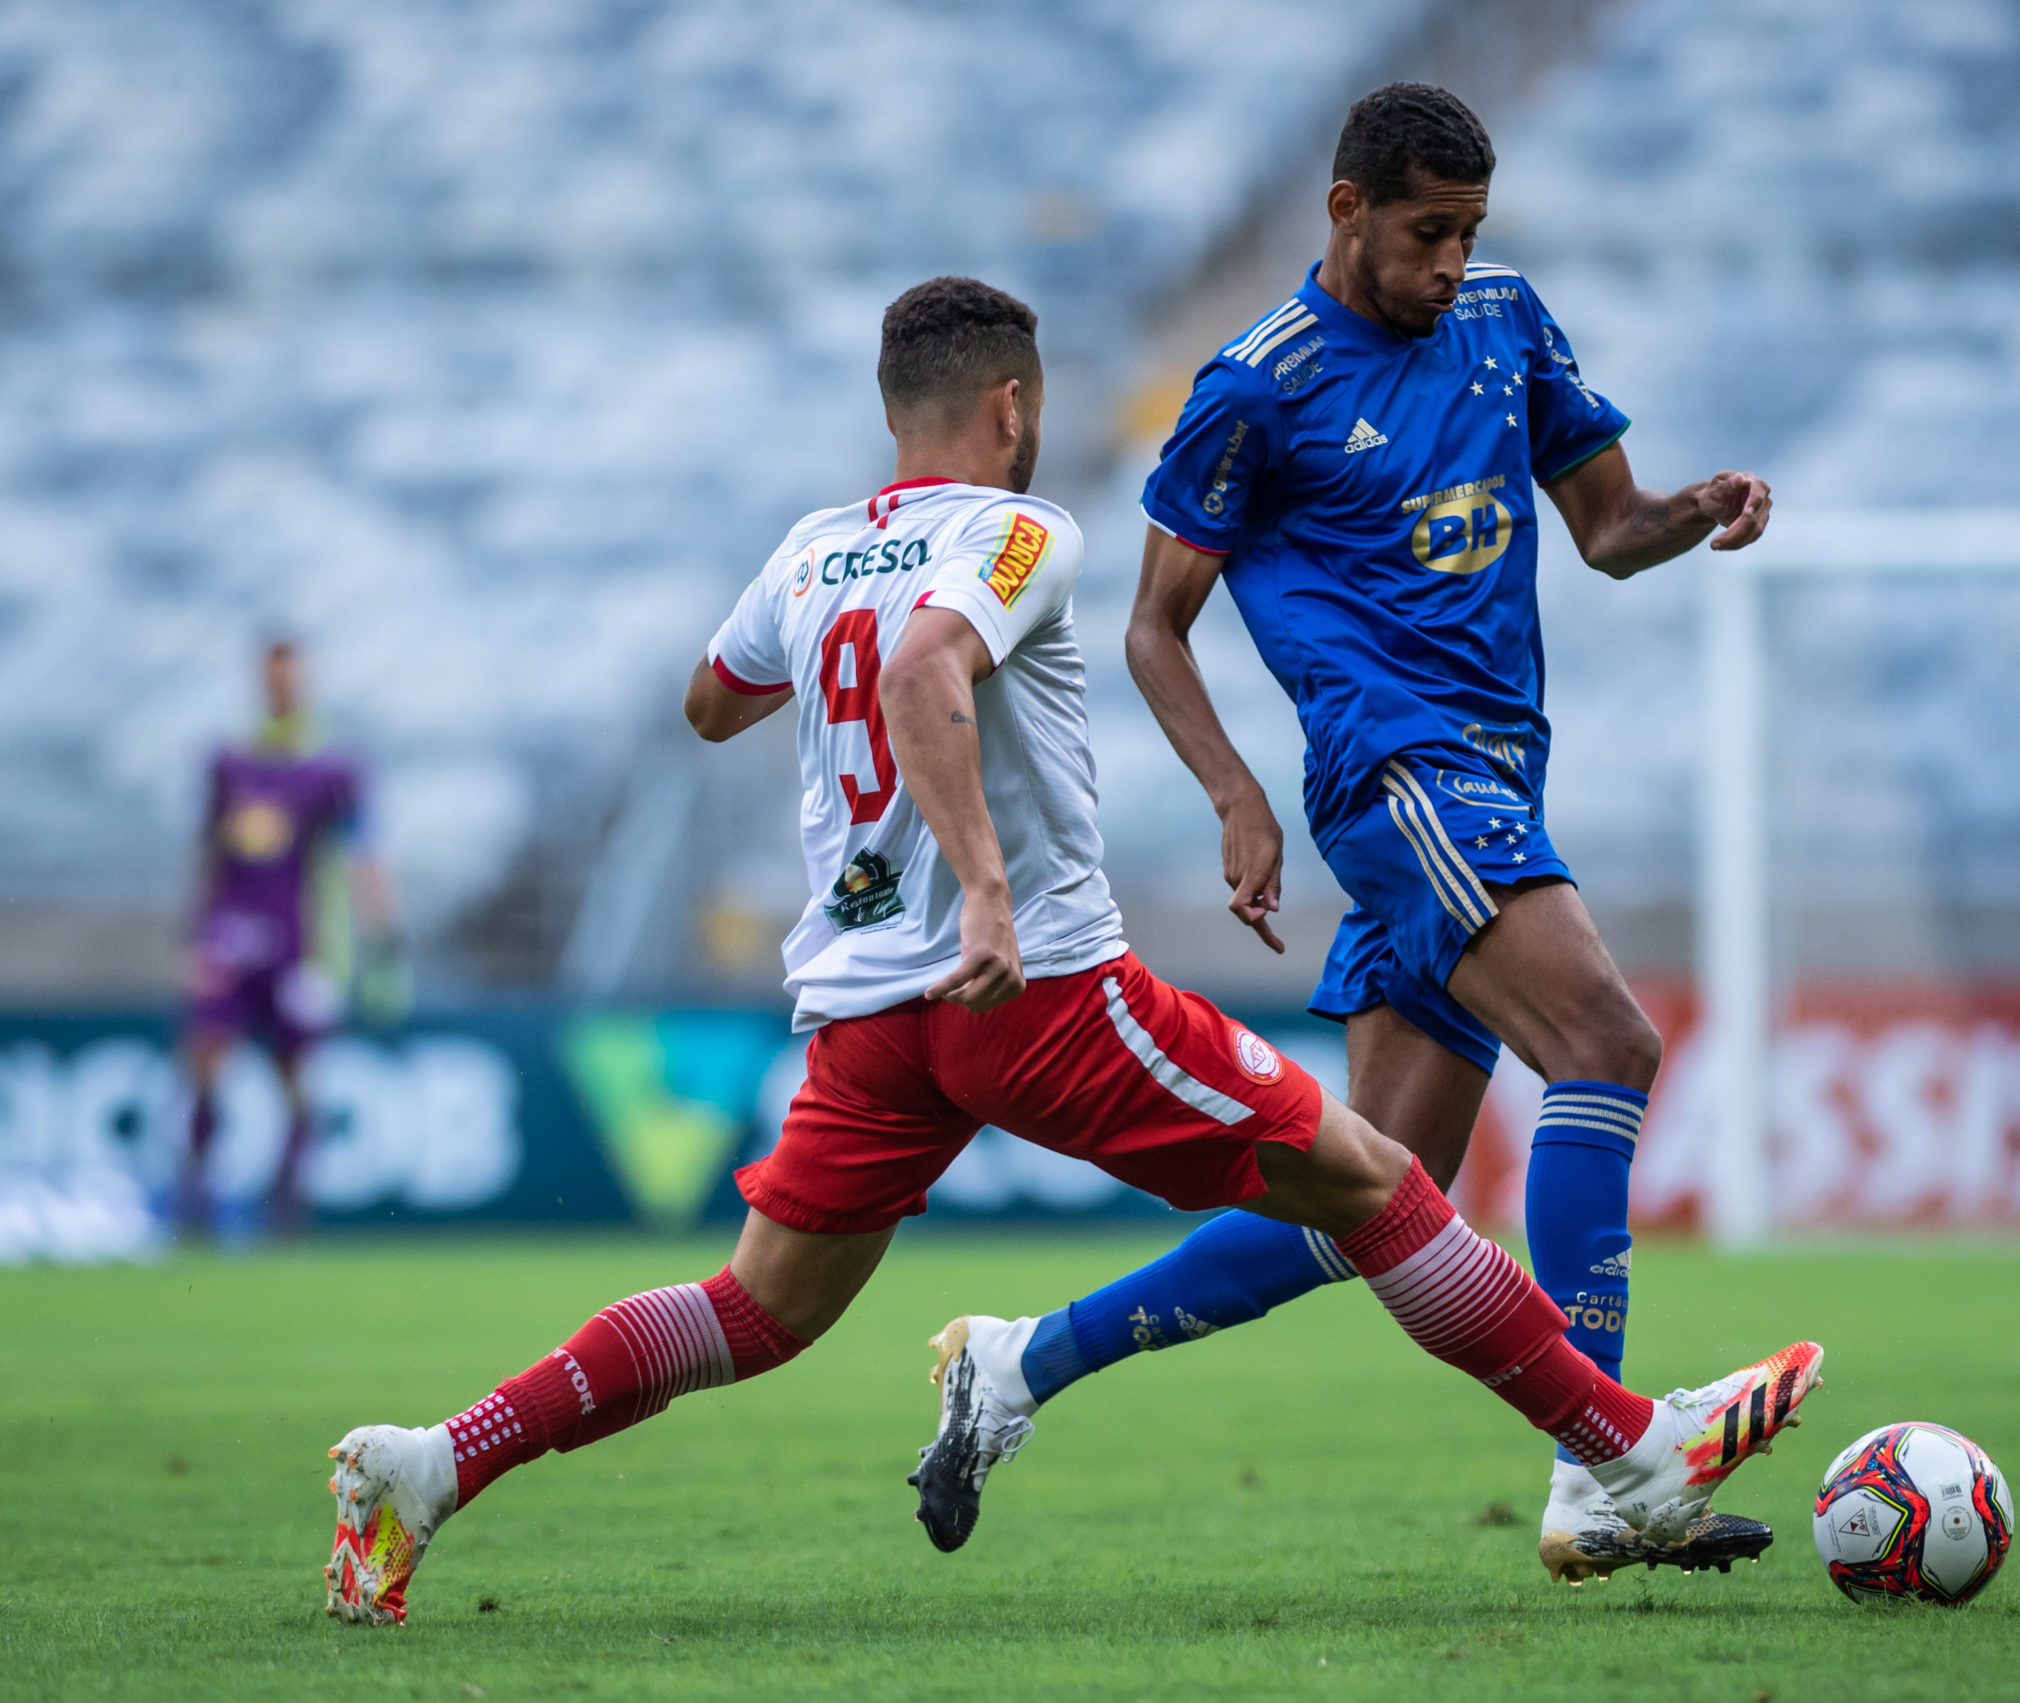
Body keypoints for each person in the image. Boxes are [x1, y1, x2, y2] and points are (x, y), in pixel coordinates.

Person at [318, 276, 1820, 1628]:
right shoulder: (1023, 528)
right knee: (1375, 1179)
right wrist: (981, 884)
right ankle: (1628, 1452)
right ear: (1014, 408)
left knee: (756, 1308)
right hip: (1036, 986)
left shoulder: (814, 548)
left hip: (863, 1015)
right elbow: (924, 666)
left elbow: (714, 701)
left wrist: (849, 714)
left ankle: (436, 1461)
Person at [930, 83, 1780, 1585]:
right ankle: (1606, 1463)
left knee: (1374, 1199)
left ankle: (1015, 1363)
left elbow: (1606, 527)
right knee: (1609, 1044)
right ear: (1346, 210)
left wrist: (1696, 508)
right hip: (1401, 772)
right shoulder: (1257, 387)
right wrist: (1236, 793)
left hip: (1497, 774)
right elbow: (1152, 628)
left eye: (1470, 232)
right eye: (1427, 231)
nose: (1453, 262)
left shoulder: (1509, 324)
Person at [177, 638, 400, 1237]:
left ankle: (287, 1199)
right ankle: (196, 1193)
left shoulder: (332, 768)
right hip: (230, 933)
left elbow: (363, 852)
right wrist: (195, 936)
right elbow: (211, 853)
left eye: (291, 677)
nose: (282, 687)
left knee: (296, 1071)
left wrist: (382, 934)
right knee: (205, 1054)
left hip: (300, 943)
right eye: (273, 677)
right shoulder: (229, 762)